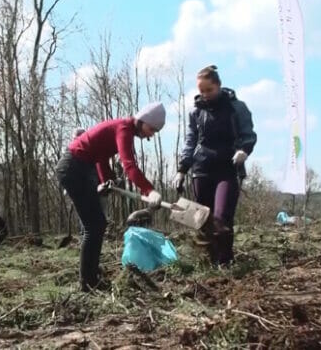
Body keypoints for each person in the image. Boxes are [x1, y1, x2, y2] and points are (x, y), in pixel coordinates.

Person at [56, 102, 166, 291]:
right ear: (142, 121)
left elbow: (100, 156)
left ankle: (91, 276)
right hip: (73, 168)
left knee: (97, 225)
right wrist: (149, 190)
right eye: (152, 129)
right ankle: (88, 282)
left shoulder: (122, 128)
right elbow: (129, 166)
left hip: (82, 167)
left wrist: (107, 179)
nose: (151, 135)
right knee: (94, 226)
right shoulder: (124, 129)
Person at [172, 65, 257, 267]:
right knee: (202, 218)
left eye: (209, 90)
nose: (205, 95)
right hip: (201, 170)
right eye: (201, 91)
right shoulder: (195, 112)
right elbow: (191, 141)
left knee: (221, 218)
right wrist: (182, 169)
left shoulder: (237, 107)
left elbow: (249, 134)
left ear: (218, 85)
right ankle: (207, 261)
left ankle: (225, 262)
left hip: (227, 168)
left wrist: (244, 150)